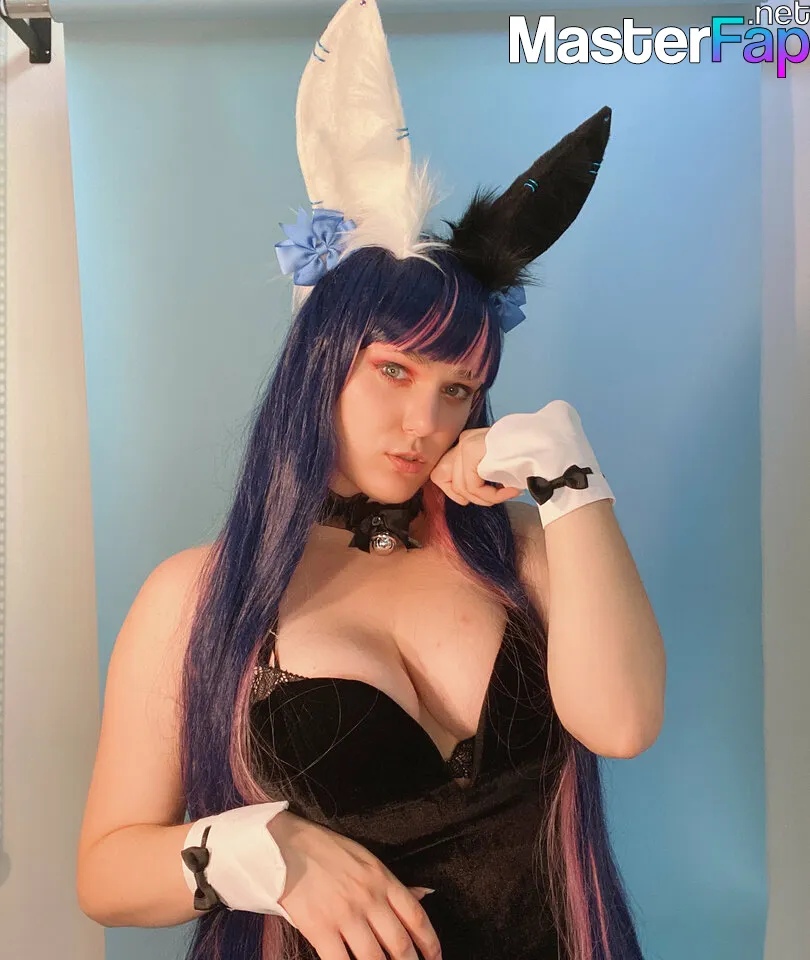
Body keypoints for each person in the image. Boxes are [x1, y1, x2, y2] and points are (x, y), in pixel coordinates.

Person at [76, 2, 666, 959]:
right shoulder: (199, 595)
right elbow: (104, 874)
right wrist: (263, 853)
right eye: (393, 370)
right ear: (321, 364)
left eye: (457, 389)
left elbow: (625, 724)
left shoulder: (527, 552)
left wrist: (571, 476)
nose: (426, 423)